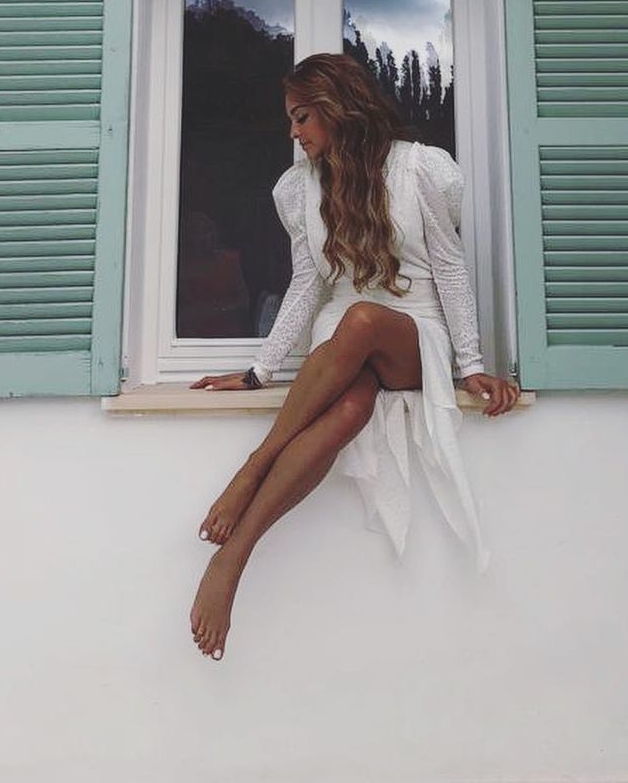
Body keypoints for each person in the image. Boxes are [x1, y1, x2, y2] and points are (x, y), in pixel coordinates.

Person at [188, 52, 520, 659]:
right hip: (342, 334)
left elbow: (449, 267)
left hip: (411, 333)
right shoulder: (299, 189)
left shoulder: (419, 169)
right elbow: (307, 283)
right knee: (346, 410)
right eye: (291, 120)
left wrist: (471, 364)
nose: (294, 133)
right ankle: (233, 558)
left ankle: (254, 467)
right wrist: (260, 370)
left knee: (363, 319)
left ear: (338, 108)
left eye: (302, 117)